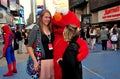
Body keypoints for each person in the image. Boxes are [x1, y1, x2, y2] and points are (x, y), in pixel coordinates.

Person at [26, 10, 54, 79]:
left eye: (49, 17)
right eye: (46, 17)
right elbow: (29, 46)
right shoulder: (36, 28)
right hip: (42, 61)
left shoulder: (51, 28)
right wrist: (35, 61)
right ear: (41, 17)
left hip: (52, 60)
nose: (48, 19)